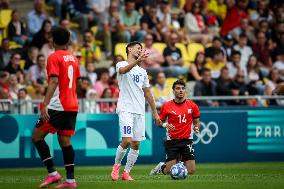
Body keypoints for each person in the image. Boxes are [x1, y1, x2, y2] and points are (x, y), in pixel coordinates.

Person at [31, 28, 80, 188]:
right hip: (72, 104)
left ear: (52, 41)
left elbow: (53, 81)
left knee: (37, 137)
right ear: (68, 41)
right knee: (64, 140)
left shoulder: (53, 57)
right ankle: (71, 181)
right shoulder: (73, 57)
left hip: (58, 105)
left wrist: (45, 104)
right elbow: (76, 82)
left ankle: (52, 173)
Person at [111, 41, 160, 181]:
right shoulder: (121, 64)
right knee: (126, 140)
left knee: (136, 144)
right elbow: (123, 71)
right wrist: (138, 61)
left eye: (141, 49)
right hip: (126, 109)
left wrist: (155, 113)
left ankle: (126, 172)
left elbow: (148, 94)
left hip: (139, 111)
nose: (140, 50)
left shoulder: (143, 72)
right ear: (129, 49)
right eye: (138, 48)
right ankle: (116, 166)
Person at [150, 79, 200, 176]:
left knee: (191, 171)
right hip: (172, 141)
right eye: (178, 88)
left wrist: (196, 127)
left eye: (183, 88)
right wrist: (165, 125)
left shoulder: (192, 106)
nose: (181, 90)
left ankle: (179, 165)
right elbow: (158, 123)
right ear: (173, 91)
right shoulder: (166, 106)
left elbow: (197, 122)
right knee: (169, 171)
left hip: (187, 140)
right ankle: (161, 166)